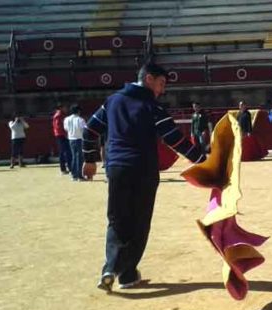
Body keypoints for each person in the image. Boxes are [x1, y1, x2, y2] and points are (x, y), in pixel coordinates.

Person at [82, 62, 206, 292]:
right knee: (139, 222)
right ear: (148, 78)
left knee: (117, 219)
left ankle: (112, 268)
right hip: (143, 169)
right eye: (161, 84)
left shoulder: (112, 101)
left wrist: (89, 159)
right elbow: (175, 139)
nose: (162, 90)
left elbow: (89, 130)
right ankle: (126, 273)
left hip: (117, 168)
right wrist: (203, 160)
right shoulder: (152, 107)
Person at [63, 104, 86, 181]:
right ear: (78, 111)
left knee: (74, 157)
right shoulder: (80, 119)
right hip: (79, 139)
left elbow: (66, 128)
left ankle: (74, 175)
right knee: (79, 158)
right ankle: (79, 175)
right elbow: (84, 130)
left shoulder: (66, 119)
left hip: (71, 139)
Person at [52, 102, 71, 175]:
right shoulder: (59, 115)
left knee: (64, 152)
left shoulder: (60, 114)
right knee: (64, 152)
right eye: (65, 107)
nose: (66, 109)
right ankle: (64, 168)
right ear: (61, 108)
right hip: (61, 135)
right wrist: (65, 134)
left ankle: (65, 168)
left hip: (61, 135)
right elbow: (58, 127)